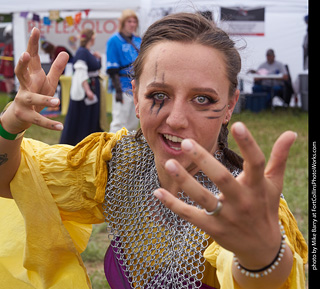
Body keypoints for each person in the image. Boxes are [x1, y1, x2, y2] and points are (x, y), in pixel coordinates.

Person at [0, 13, 307, 289]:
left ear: (229, 105)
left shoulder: (245, 201)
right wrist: (9, 124)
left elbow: (263, 273)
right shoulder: (115, 164)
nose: (175, 119)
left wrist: (262, 257)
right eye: (159, 94)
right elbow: (14, 179)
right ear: (134, 95)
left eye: (202, 99)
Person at [59, 29, 104, 145]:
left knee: (91, 116)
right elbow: (81, 72)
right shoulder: (82, 52)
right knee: (84, 116)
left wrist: (99, 58)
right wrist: (88, 90)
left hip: (93, 86)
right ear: (91, 38)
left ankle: (91, 140)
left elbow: (95, 68)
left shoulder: (89, 52)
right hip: (86, 89)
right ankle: (79, 141)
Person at [106, 9, 141, 133]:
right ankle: (111, 150)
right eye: (129, 21)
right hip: (121, 84)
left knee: (133, 122)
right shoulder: (114, 41)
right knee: (119, 122)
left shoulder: (138, 40)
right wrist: (118, 91)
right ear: (123, 23)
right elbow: (112, 69)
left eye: (134, 21)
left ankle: (127, 150)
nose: (132, 24)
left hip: (136, 85)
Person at [0, 24, 15, 98]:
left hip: (13, 72)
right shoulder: (7, 46)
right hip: (7, 73)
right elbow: (4, 60)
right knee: (9, 87)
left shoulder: (13, 46)